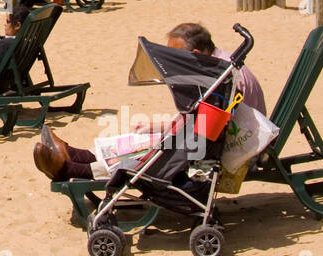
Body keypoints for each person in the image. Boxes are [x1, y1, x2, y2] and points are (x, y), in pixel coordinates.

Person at [32, 22, 266, 180]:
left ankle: (69, 168)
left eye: (178, 56)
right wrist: (160, 128)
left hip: (228, 151)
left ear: (195, 53)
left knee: (150, 150)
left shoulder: (224, 79)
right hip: (217, 138)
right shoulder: (219, 68)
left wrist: (168, 133)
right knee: (143, 138)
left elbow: (208, 129)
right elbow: (203, 120)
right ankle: (76, 154)